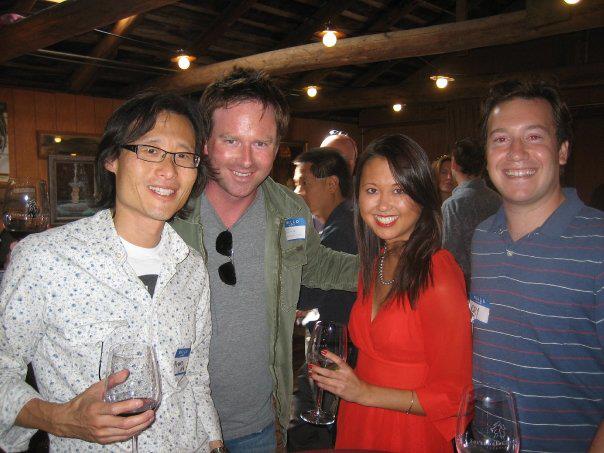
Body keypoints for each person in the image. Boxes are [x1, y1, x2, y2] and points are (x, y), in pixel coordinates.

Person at [0, 92, 224, 452]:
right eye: (150, 150)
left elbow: (195, 376)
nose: (169, 171)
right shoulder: (44, 260)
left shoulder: (191, 267)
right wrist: (58, 418)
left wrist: (214, 443)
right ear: (112, 159)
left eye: (183, 156)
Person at [170, 68, 358, 452]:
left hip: (260, 423)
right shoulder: (172, 207)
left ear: (276, 147)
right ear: (205, 142)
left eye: (261, 143)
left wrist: (392, 268)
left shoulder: (289, 210)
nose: (246, 159)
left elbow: (317, 264)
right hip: (180, 423)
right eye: (231, 140)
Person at [309, 133, 472, 452]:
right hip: (357, 419)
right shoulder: (376, 262)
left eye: (398, 190)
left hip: (409, 432)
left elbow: (455, 395)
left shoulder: (438, 272)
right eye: (372, 190)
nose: (383, 204)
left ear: (421, 195)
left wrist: (364, 392)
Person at [471, 79, 604, 452]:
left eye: (533, 137)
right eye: (500, 139)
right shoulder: (482, 238)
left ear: (562, 150)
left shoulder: (598, 243)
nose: (516, 153)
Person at [288, 148, 358, 450]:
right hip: (339, 342)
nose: (297, 192)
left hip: (335, 346)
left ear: (331, 184)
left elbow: (305, 289)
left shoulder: (341, 230)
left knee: (306, 432)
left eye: (304, 183)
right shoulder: (342, 222)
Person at [442, 138, 501, 287]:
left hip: (467, 284)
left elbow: (450, 255)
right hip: (499, 278)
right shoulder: (498, 199)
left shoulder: (453, 205)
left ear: (454, 164)